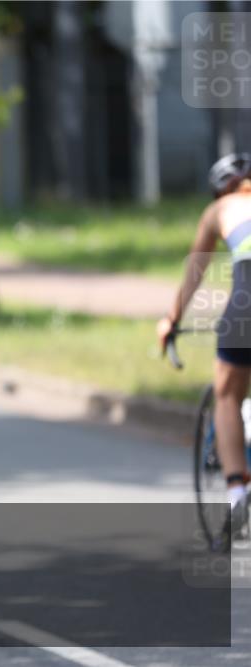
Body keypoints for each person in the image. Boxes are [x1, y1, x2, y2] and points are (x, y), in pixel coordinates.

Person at [158, 152, 251, 521]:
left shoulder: (220, 209)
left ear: (221, 190)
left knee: (226, 395)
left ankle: (237, 492)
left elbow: (194, 273)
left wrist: (171, 320)